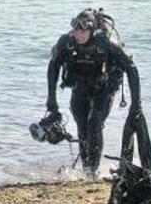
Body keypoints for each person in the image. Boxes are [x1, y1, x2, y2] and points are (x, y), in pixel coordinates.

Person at [46, 9, 142, 180]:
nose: (80, 34)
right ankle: (87, 169)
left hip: (104, 88)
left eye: (84, 31)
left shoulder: (106, 43)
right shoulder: (66, 43)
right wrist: (51, 101)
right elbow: (53, 67)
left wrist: (136, 105)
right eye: (77, 30)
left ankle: (93, 170)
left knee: (94, 122)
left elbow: (131, 69)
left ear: (91, 30)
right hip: (80, 86)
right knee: (82, 127)